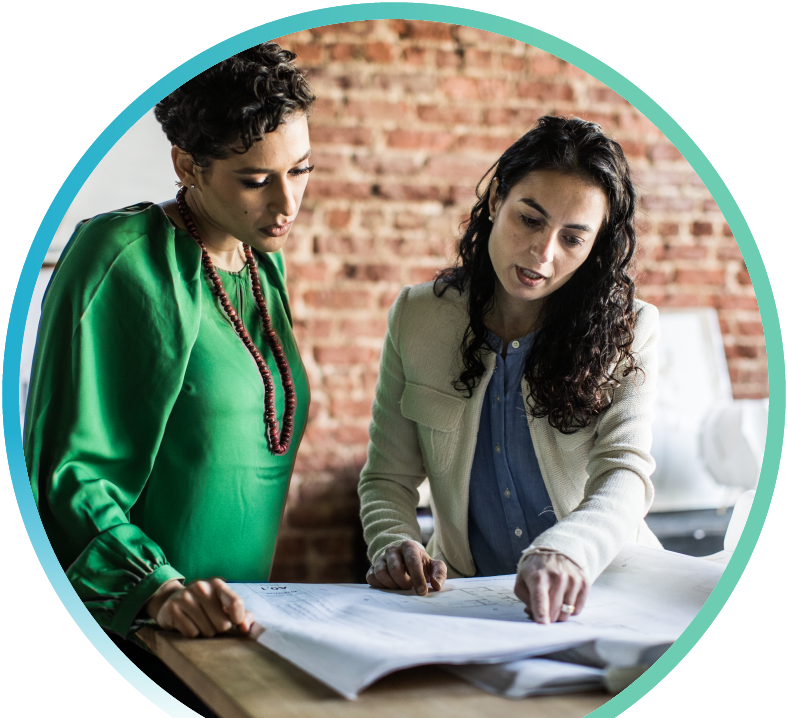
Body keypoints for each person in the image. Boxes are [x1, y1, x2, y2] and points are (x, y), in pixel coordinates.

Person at [24, 43, 314, 716]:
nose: (287, 201)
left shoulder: (260, 267)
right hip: (138, 640)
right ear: (187, 165)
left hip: (233, 642)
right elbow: (64, 472)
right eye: (255, 179)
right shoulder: (117, 257)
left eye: (301, 170)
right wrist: (157, 588)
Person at [359, 116, 662, 626]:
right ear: (498, 199)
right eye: (530, 219)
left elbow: (625, 473)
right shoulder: (416, 316)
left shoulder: (631, 328)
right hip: (465, 606)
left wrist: (568, 550)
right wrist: (394, 543)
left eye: (572, 238)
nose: (543, 254)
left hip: (604, 595)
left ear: (596, 245)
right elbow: (387, 477)